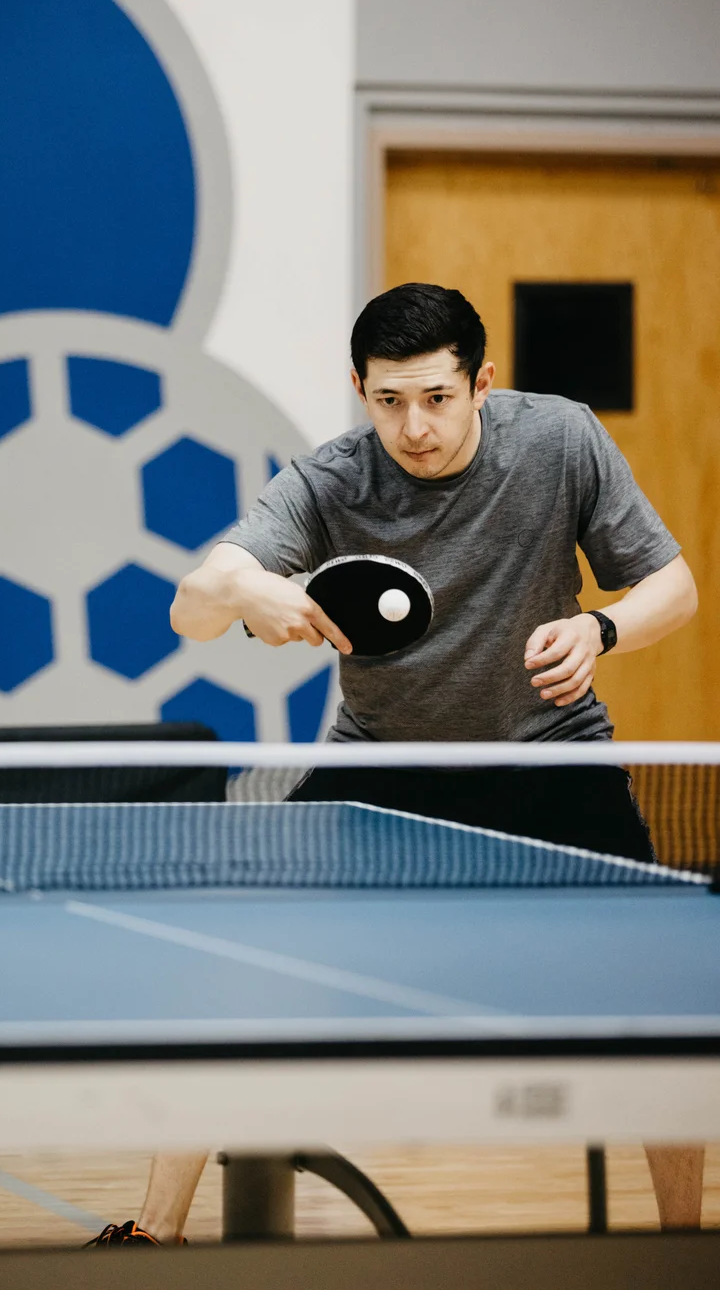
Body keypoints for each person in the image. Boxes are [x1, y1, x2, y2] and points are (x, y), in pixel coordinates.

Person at [87, 282, 702, 1246]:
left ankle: (685, 1246)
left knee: (659, 989)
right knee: (230, 958)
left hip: (549, 756)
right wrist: (251, 583)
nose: (412, 428)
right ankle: (152, 1235)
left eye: (436, 399)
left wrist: (601, 627)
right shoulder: (330, 481)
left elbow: (677, 585)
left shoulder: (560, 442)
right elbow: (191, 606)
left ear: (482, 383)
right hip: (382, 764)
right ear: (359, 390)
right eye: (387, 402)